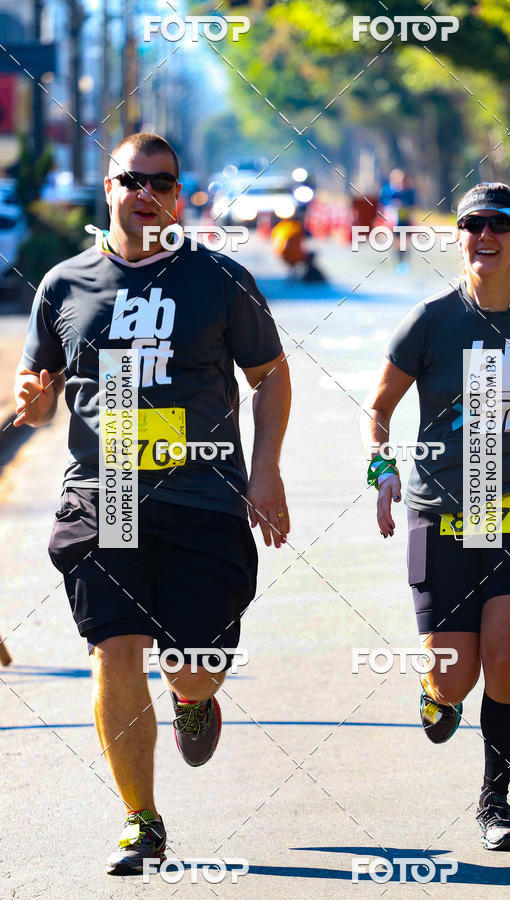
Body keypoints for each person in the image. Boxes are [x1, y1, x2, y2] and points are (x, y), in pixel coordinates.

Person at [13, 132, 291, 875]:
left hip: (203, 494)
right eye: (132, 180)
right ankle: (141, 821)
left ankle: (195, 700)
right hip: (104, 492)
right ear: (108, 187)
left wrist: (265, 474)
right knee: (115, 646)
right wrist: (34, 401)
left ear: (179, 194)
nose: (146, 193)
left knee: (191, 664)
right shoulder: (64, 284)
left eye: (161, 182)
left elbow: (269, 376)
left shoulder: (218, 279)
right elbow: (38, 402)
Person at [366, 183, 510, 850]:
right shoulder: (430, 321)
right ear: (459, 235)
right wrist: (381, 469)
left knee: (503, 660)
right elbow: (377, 409)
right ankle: (436, 693)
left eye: (500, 224)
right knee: (454, 675)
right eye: (473, 224)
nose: (485, 236)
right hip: (439, 513)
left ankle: (495, 803)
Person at [379, 169, 416, 271]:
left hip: (405, 219)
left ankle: (404, 260)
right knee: (396, 240)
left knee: (405, 241)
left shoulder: (409, 190)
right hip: (392, 220)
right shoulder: (387, 189)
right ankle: (397, 260)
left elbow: (412, 205)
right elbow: (382, 203)